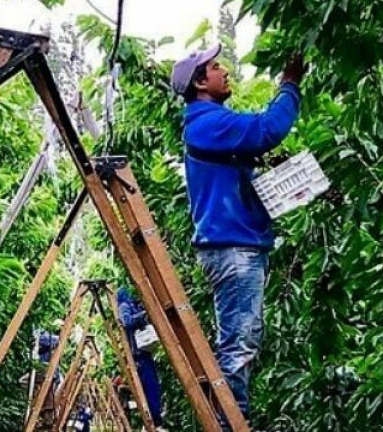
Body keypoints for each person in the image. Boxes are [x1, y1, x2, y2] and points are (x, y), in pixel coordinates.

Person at [170, 43, 307, 425]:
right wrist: (290, 84)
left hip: (235, 247)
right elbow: (266, 130)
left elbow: (250, 153)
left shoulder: (211, 125)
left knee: (241, 338)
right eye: (215, 67)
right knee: (239, 343)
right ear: (200, 83)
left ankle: (230, 419)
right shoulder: (208, 123)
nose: (224, 70)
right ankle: (231, 422)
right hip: (233, 248)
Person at [116, 287, 165, 429]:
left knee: (153, 386)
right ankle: (154, 419)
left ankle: (155, 417)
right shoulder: (124, 306)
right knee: (150, 386)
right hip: (139, 354)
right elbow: (126, 321)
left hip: (143, 353)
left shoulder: (133, 305)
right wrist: (142, 315)